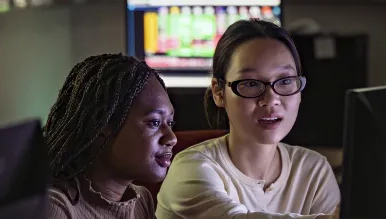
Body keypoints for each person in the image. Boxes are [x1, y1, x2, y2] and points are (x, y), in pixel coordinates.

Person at [156, 19, 340, 219]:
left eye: (285, 81)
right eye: (251, 83)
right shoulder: (191, 169)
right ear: (218, 92)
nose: (270, 100)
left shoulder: (313, 170)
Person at [45, 54, 177, 219]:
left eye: (170, 123)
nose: (172, 138)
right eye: (154, 123)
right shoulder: (55, 208)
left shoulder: (141, 201)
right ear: (102, 124)